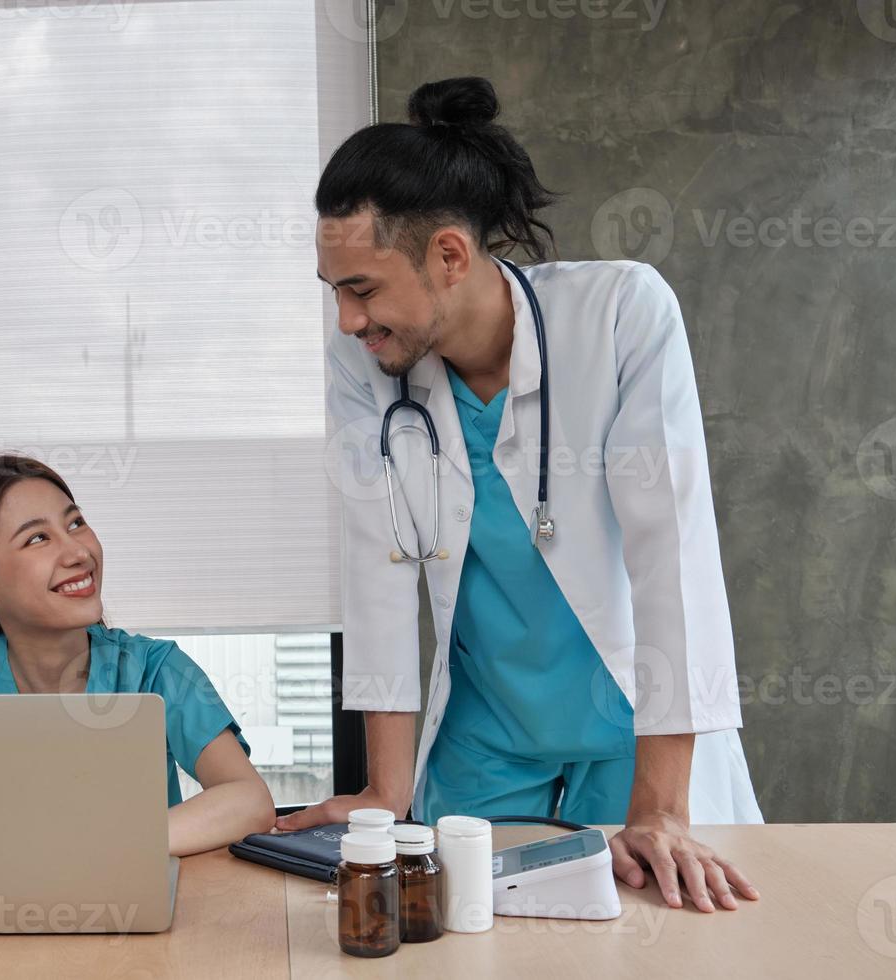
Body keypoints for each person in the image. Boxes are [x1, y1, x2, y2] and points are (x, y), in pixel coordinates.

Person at [278, 77, 764, 914]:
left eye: (361, 288)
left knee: (659, 938)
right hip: (486, 740)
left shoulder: (619, 314)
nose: (348, 323)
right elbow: (380, 565)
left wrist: (663, 807)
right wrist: (385, 794)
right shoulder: (365, 368)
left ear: (450, 256)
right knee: (458, 942)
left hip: (631, 732)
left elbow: (672, 553)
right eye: (335, 293)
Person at [0, 453, 276, 857]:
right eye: (37, 538)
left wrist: (94, 849)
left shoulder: (155, 670)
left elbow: (249, 800)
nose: (78, 552)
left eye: (75, 523)